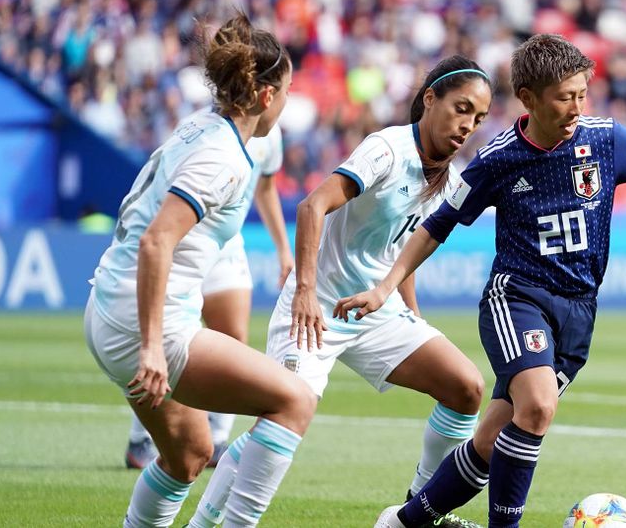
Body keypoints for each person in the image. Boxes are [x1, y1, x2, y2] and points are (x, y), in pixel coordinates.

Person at [335, 34, 626, 528]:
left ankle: (402, 523)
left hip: (579, 311)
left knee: (492, 441)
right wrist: (386, 286)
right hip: (518, 299)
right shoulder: (498, 159)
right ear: (528, 98)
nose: (576, 107)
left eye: (582, 94)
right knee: (539, 408)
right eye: (564, 97)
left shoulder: (606, 139)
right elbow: (436, 225)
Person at [186, 55, 493, 528]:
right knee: (283, 418)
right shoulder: (387, 149)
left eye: (479, 117)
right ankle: (207, 524)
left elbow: (404, 249)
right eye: (462, 108)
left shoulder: (449, 177)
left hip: (374, 310)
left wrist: (412, 313)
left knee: (465, 387)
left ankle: (418, 513)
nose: (468, 125)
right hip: (318, 309)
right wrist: (305, 291)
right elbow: (312, 206)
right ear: (430, 99)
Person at [83, 14, 315, 527]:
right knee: (294, 400)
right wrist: (151, 346)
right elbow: (156, 240)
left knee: (189, 454)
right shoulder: (223, 157)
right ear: (266, 96)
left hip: (108, 306)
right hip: (145, 324)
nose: (286, 102)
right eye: (286, 92)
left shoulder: (200, 128)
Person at [125, 122, 294, 470]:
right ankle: (141, 436)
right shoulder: (204, 127)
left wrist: (282, 248)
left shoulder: (272, 136)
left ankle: (217, 437)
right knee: (166, 338)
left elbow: (265, 190)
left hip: (227, 243)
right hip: (186, 239)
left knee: (233, 336)